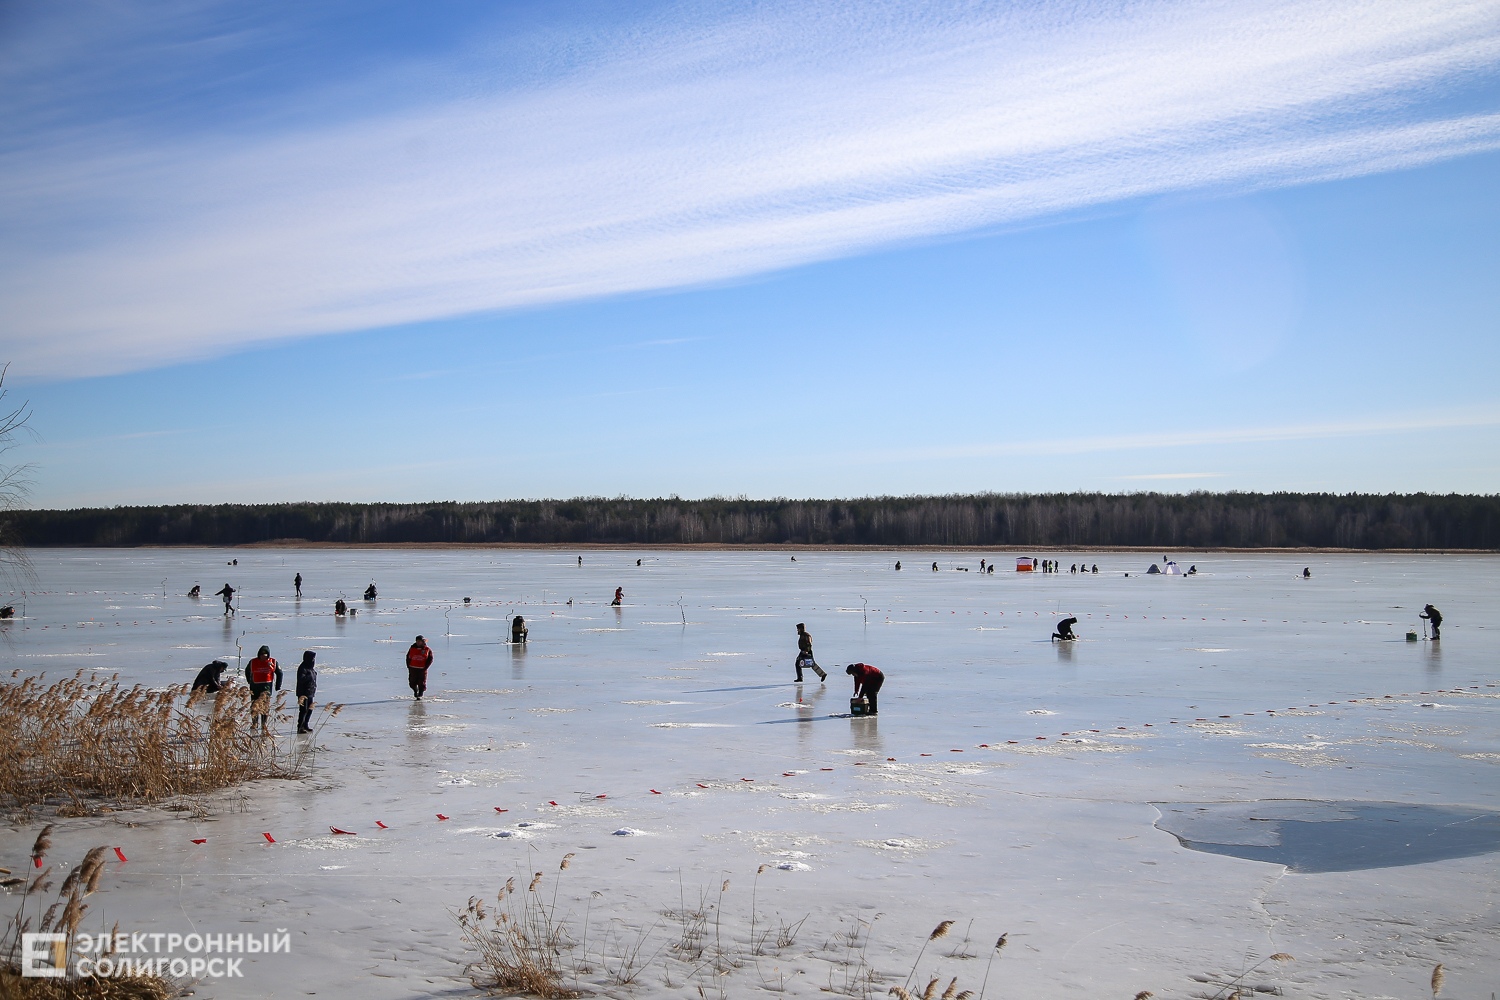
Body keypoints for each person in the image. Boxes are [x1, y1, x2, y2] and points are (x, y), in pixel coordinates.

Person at [244, 646, 282, 733]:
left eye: (265, 655)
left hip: (266, 687)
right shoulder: (253, 662)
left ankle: (263, 724)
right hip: (255, 687)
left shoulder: (273, 662)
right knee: (254, 706)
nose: (263, 657)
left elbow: (279, 673)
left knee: (265, 707)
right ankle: (254, 723)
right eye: (262, 655)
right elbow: (247, 671)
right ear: (259, 655)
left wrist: (278, 685)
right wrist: (249, 681)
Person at [295, 651, 317, 733]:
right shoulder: (302, 668)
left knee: (310, 709)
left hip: (310, 692)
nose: (313, 660)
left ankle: (306, 725)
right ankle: (300, 727)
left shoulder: (311, 667)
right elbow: (301, 679)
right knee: (303, 710)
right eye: (312, 658)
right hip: (303, 693)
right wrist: (309, 676)